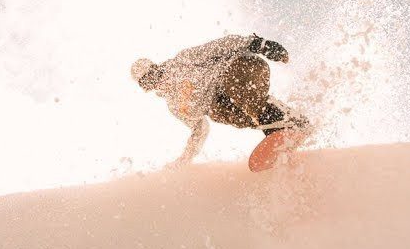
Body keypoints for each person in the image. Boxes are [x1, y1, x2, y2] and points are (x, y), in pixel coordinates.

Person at [130, 33, 309, 167]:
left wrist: (259, 44)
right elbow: (200, 128)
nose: (156, 83)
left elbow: (219, 45)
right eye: (148, 84)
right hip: (223, 100)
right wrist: (185, 158)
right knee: (219, 112)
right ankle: (282, 128)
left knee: (239, 90)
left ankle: (289, 123)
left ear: (156, 68)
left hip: (239, 68)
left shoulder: (181, 61)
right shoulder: (175, 106)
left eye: (153, 76)